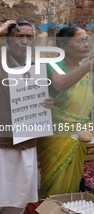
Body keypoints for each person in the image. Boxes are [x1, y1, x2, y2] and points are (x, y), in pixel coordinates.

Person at [0, 19, 53, 214]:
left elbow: (38, 103)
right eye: (18, 36)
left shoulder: (36, 69)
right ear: (8, 41)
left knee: (18, 204)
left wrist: (45, 104)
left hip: (24, 145)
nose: (24, 41)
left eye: (29, 37)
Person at [37, 26, 93, 198]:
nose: (86, 44)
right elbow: (60, 84)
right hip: (56, 138)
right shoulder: (52, 65)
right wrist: (89, 65)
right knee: (53, 184)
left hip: (79, 138)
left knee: (71, 185)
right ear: (64, 47)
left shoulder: (85, 71)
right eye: (80, 41)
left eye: (87, 39)